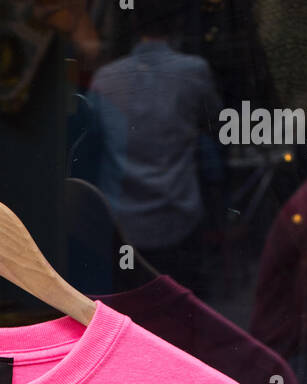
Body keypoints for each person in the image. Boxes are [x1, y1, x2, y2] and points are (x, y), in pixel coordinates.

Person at [88, 0, 221, 294]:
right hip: (177, 218)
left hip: (123, 224)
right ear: (176, 24)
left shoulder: (105, 79)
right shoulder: (194, 72)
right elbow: (215, 122)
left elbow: (93, 145)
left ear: (133, 25)